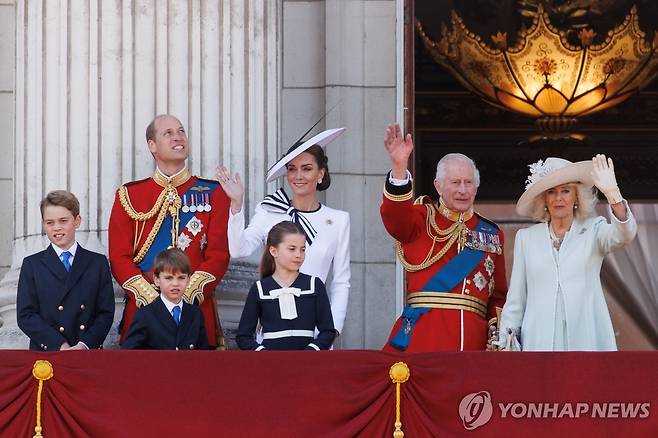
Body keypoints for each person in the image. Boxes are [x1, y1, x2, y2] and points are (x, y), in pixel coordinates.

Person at [380, 123, 508, 352]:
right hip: (423, 338)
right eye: (455, 182)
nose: (463, 190)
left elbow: (498, 297)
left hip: (474, 343)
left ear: (476, 188)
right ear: (438, 186)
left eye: (469, 183)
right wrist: (399, 168)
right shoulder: (420, 219)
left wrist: (494, 333)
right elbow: (394, 217)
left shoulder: (491, 234)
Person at [108, 114, 230, 349]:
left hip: (194, 314)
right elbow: (119, 257)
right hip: (144, 313)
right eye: (169, 133)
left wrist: (184, 295)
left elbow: (219, 255)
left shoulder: (214, 193)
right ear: (152, 145)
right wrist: (154, 300)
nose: (179, 137)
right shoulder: (129, 195)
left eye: (181, 131)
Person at [217, 127, 350, 338]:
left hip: (316, 330)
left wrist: (331, 331)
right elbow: (238, 250)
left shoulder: (339, 220)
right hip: (272, 328)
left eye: (306, 169)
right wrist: (236, 206)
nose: (298, 176)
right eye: (292, 169)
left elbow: (341, 281)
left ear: (321, 173)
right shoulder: (269, 210)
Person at [497, 154, 637, 351]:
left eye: (566, 191)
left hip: (586, 340)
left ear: (576, 197)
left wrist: (614, 195)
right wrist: (506, 342)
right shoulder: (526, 238)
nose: (559, 198)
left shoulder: (594, 230)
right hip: (539, 343)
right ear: (544, 199)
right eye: (552, 192)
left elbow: (625, 235)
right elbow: (516, 300)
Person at [16, 190, 115, 351]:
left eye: (63, 221)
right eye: (50, 222)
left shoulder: (97, 263)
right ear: (43, 224)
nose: (56, 228)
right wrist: (59, 344)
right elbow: (25, 316)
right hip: (47, 353)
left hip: (86, 353)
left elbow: (105, 313)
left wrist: (85, 345)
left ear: (77, 221)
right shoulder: (32, 265)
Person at [236, 221, 335, 350]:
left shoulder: (314, 285)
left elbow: (328, 331)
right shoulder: (259, 289)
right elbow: (243, 336)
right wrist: (264, 354)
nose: (299, 255)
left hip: (307, 365)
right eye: (292, 249)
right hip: (271, 366)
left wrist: (311, 351)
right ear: (273, 251)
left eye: (302, 249)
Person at [123, 249, 209, 350]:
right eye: (169, 278)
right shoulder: (145, 315)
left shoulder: (195, 314)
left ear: (188, 280)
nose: (175, 283)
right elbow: (130, 355)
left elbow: (203, 356)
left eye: (181, 278)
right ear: (157, 280)